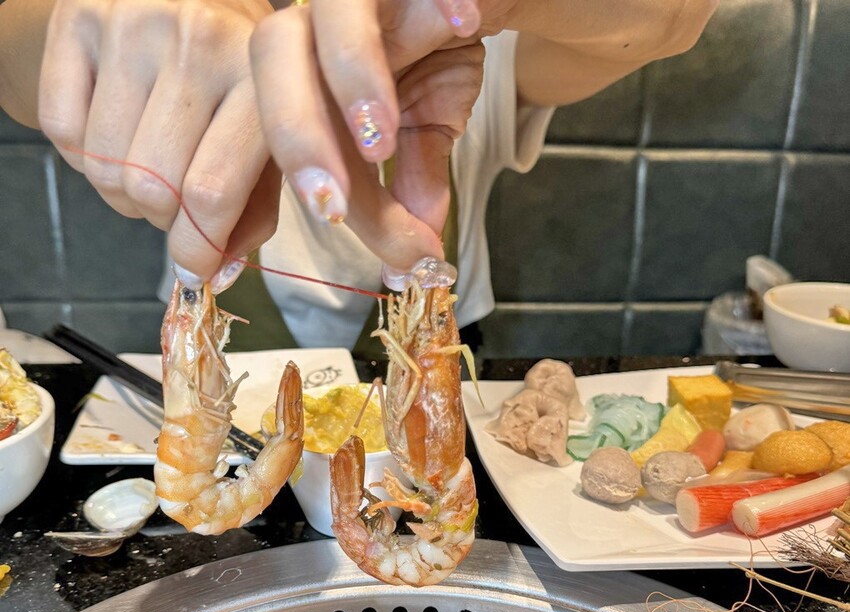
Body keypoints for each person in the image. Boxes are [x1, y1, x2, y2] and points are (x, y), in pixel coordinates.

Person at [0, 0, 717, 349]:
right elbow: (15, 52)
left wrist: (487, 6)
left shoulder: (483, 50)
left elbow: (669, 20)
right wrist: (88, 19)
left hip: (440, 389)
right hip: (226, 375)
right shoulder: (194, 31)